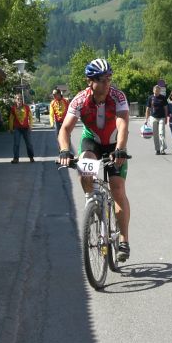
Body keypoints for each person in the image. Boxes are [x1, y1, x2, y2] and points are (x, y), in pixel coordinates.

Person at [57, 58, 132, 262]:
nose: (107, 83)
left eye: (109, 78)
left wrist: (120, 149)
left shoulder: (117, 96)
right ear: (90, 81)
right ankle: (92, 202)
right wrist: (64, 150)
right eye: (102, 79)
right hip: (93, 141)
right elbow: (65, 129)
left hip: (115, 143)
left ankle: (124, 240)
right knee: (84, 167)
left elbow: (123, 123)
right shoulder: (80, 100)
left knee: (117, 189)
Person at [9, 93, 35, 164]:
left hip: (26, 128)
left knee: (29, 144)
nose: (19, 100)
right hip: (17, 128)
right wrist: (11, 128)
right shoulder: (13, 108)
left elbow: (30, 117)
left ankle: (31, 157)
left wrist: (30, 126)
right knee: (16, 144)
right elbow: (11, 119)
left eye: (21, 99)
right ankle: (16, 158)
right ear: (15, 100)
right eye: (18, 99)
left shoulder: (26, 107)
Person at [145, 85, 169, 155]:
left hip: (161, 117)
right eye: (156, 90)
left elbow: (166, 108)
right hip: (153, 117)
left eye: (158, 90)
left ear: (160, 91)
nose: (157, 92)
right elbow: (148, 109)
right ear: (153, 91)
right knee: (155, 135)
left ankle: (162, 149)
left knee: (161, 133)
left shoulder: (163, 98)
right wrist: (146, 119)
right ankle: (157, 149)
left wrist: (166, 118)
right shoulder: (150, 98)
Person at [50, 88, 70, 163]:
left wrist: (70, 121)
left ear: (59, 94)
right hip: (57, 122)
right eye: (53, 95)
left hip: (65, 121)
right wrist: (52, 123)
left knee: (67, 137)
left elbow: (70, 111)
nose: (54, 96)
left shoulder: (66, 101)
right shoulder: (52, 103)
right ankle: (61, 155)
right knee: (59, 139)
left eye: (55, 94)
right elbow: (51, 114)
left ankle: (68, 154)